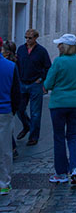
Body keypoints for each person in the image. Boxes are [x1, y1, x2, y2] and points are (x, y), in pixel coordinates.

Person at [44, 33, 76, 185]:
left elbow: (48, 84)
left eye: (60, 44)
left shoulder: (58, 62)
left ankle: (61, 173)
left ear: (65, 46)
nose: (58, 46)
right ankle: (74, 168)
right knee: (73, 137)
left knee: (59, 137)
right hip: (75, 103)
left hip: (59, 103)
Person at [16, 28, 51, 145]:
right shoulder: (21, 49)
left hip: (35, 84)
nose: (27, 40)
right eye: (26, 37)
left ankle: (34, 137)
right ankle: (27, 126)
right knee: (19, 109)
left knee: (35, 112)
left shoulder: (41, 51)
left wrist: (41, 79)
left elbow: (48, 67)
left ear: (35, 38)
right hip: (22, 82)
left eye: (30, 38)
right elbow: (17, 64)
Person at [0, 37, 21, 196]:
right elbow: (16, 93)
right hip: (5, 111)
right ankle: (4, 183)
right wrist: (12, 110)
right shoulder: (10, 66)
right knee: (5, 149)